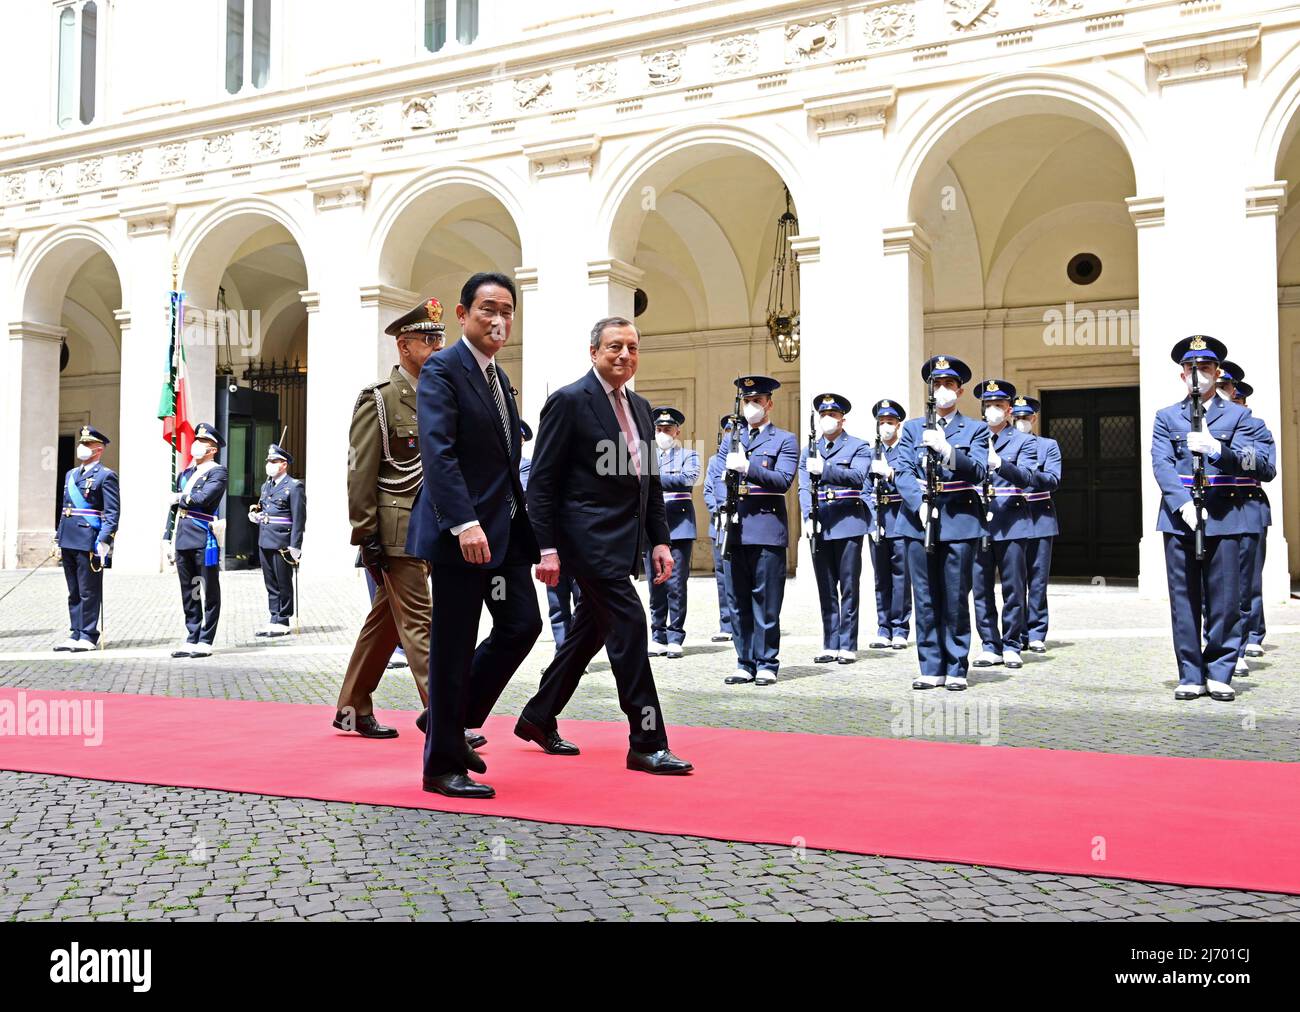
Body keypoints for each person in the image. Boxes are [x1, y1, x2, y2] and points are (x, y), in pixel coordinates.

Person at [520, 316, 693, 775]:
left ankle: (538, 715)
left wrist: (659, 539)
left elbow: (649, 482)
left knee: (589, 632)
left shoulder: (640, 407)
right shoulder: (569, 402)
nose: (625, 355)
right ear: (594, 352)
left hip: (626, 540)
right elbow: (541, 483)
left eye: (633, 348)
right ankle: (647, 740)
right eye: (615, 346)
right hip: (585, 542)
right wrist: (547, 548)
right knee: (631, 626)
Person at [408, 273, 543, 799]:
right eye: (488, 309)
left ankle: (451, 717)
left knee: (522, 624)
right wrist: (463, 522)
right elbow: (438, 452)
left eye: (507, 311)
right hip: (459, 535)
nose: (498, 320)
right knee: (454, 644)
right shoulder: (443, 369)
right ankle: (441, 765)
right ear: (463, 315)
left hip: (503, 533)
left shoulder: (499, 378)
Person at [333, 297, 441, 738]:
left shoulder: (438, 397)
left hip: (432, 527)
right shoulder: (379, 401)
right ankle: (447, 717)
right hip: (396, 531)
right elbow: (361, 471)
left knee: (386, 622)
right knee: (420, 621)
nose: (437, 347)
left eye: (439, 339)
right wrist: (365, 534)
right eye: (428, 340)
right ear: (404, 345)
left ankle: (351, 710)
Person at [1152, 335, 1271, 702]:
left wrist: (1220, 451)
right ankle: (1190, 673)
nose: (1197, 375)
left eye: (1204, 368)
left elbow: (1264, 465)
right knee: (1184, 599)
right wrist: (1183, 503)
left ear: (1217, 372)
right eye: (1191, 369)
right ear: (1181, 375)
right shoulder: (1166, 417)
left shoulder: (1240, 416)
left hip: (1225, 515)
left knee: (1224, 599)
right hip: (1180, 518)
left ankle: (1220, 669)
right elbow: (1161, 464)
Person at [892, 356, 989, 691]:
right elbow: (902, 471)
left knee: (955, 595)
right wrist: (917, 504)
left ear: (959, 390)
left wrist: (948, 451)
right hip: (918, 521)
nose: (943, 390)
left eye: (949, 384)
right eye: (937, 384)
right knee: (925, 596)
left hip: (959, 519)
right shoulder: (912, 428)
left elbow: (978, 470)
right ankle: (931, 665)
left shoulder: (974, 429)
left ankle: (956, 665)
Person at [716, 376, 798, 686]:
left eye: (757, 401)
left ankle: (766, 662)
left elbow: (783, 481)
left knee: (765, 600)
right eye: (747, 401)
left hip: (766, 528)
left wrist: (748, 468)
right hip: (735, 529)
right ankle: (744, 660)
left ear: (769, 404)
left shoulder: (784, 440)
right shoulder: (732, 439)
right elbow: (718, 478)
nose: (752, 406)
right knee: (737, 599)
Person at [970, 379, 1038, 672]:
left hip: (1011, 520)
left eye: (998, 405)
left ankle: (1011, 644)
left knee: (1013, 587)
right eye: (988, 405)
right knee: (981, 587)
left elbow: (1027, 477)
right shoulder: (973, 437)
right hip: (977, 521)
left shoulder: (1025, 441)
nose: (993, 410)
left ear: (1009, 409)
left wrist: (1001, 465)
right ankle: (989, 645)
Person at [798, 393, 870, 665]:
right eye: (823, 415)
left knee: (849, 585)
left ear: (842, 419)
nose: (828, 419)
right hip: (821, 521)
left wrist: (825, 469)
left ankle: (848, 644)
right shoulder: (810, 450)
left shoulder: (859, 446)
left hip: (848, 521)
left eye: (832, 415)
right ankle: (830, 642)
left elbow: (858, 478)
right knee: (825, 586)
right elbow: (804, 485)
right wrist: (808, 515)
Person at [1214, 371, 1274, 676]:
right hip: (1214, 510)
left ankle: (1247, 637)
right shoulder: (1197, 421)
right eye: (1219, 386)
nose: (1222, 392)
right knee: (1216, 585)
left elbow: (1265, 468)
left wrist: (1229, 451)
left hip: (1248, 506)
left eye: (1226, 387)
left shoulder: (1254, 426)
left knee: (1246, 580)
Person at [53, 425, 119, 652]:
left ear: (98, 449)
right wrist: (58, 536)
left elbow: (112, 512)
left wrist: (104, 540)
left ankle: (89, 634)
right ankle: (76, 632)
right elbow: (66, 508)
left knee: (88, 589)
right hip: (69, 537)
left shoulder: (106, 476)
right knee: (73, 590)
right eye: (82, 444)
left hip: (88, 538)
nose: (83, 448)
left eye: (88, 444)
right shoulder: (70, 475)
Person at [166, 423, 227, 658]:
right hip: (183, 536)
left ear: (212, 449)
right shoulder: (186, 473)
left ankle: (206, 638)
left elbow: (203, 498)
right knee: (190, 589)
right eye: (196, 441)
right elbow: (174, 509)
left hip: (203, 536)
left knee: (208, 588)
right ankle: (192, 636)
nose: (196, 446)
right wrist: (167, 536)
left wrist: (180, 497)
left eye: (202, 443)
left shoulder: (217, 471)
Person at [646, 406, 699, 659]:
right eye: (659, 429)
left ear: (677, 431)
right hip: (652, 528)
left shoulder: (689, 454)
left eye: (667, 429)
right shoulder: (646, 455)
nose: (663, 433)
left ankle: (675, 634)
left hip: (679, 526)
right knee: (655, 584)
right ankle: (657, 634)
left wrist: (653, 477)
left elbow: (688, 479)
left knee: (676, 584)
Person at [864, 399, 911, 650]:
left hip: (901, 518)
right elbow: (863, 490)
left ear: (898, 425)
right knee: (881, 577)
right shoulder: (872, 453)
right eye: (882, 423)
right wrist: (871, 521)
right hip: (878, 520)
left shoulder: (906, 451)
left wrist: (890, 474)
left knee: (901, 577)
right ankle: (884, 627)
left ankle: (901, 627)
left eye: (890, 423)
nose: (885, 427)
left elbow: (910, 485)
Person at [1014, 397, 1059, 654]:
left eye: (1026, 418)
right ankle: (1017, 632)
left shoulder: (1047, 446)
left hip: (1040, 515)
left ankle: (1037, 631)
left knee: (1038, 578)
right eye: (1017, 418)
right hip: (1012, 516)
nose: (1022, 422)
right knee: (1015, 579)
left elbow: (1053, 479)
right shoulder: (1005, 443)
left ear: (1034, 418)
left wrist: (1028, 476)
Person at [249, 443, 305, 637]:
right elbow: (266, 510)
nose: (270, 464)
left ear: (284, 464)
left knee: (283, 581)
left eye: (274, 461)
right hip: (265, 538)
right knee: (270, 582)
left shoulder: (294, 486)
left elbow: (299, 518)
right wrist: (257, 516)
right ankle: (274, 617)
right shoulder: (266, 486)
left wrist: (295, 545)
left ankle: (283, 619)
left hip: (282, 541)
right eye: (269, 461)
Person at [702, 414, 736, 643]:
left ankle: (740, 621)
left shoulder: (744, 458)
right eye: (727, 430)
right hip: (719, 527)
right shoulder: (715, 461)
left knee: (739, 577)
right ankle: (726, 623)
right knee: (723, 578)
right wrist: (718, 509)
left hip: (738, 526)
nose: (730, 434)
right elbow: (707, 491)